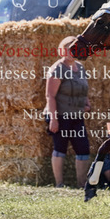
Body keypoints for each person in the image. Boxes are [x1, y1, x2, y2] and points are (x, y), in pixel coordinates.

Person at [45, 36, 91, 187]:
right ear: (62, 51)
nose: (72, 52)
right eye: (69, 49)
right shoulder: (57, 69)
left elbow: (83, 89)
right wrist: (53, 119)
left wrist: (87, 103)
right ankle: (59, 184)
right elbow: (50, 96)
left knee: (83, 149)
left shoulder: (80, 68)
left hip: (76, 115)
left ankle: (81, 184)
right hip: (60, 115)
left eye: (74, 49)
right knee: (60, 148)